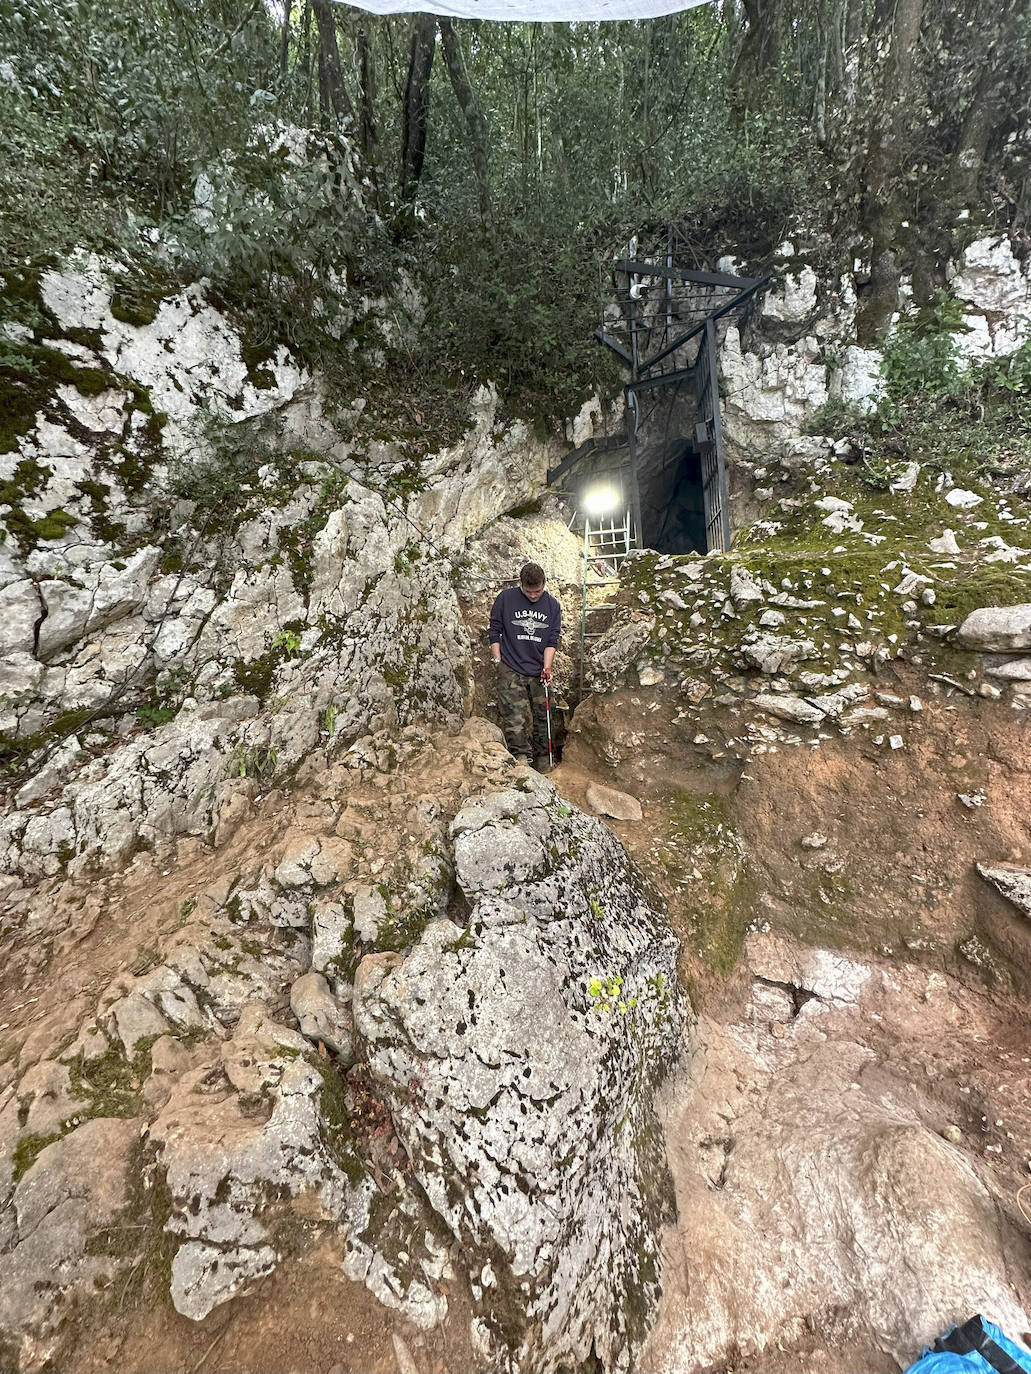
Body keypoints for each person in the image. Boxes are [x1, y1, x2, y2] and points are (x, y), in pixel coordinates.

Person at [489, 562, 561, 771]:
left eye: (537, 591)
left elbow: (552, 640)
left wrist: (547, 667)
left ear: (544, 584)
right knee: (515, 715)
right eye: (529, 592)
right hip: (510, 666)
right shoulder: (505, 599)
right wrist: (498, 661)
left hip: (539, 666)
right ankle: (521, 757)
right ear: (521, 584)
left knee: (545, 712)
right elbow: (494, 630)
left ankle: (543, 757)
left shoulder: (553, 606)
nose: (533, 596)